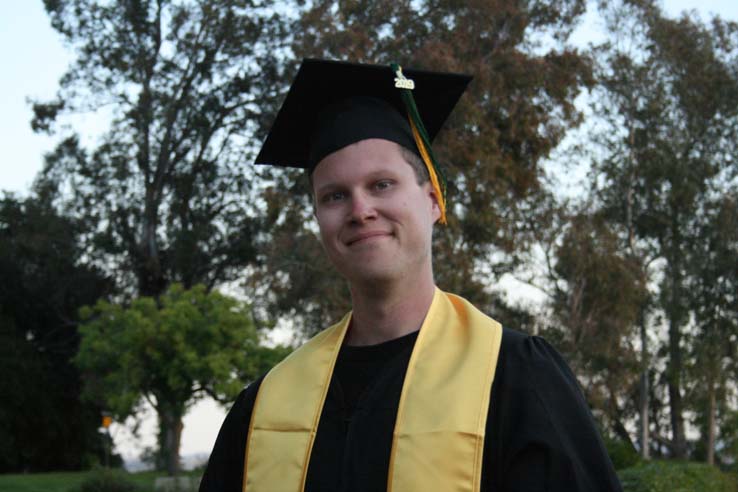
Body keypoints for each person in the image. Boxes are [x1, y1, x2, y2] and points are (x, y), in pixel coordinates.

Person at [199, 59, 622, 492]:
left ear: (434, 199)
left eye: (382, 184)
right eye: (334, 196)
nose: (360, 210)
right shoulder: (266, 405)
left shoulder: (516, 378)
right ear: (318, 219)